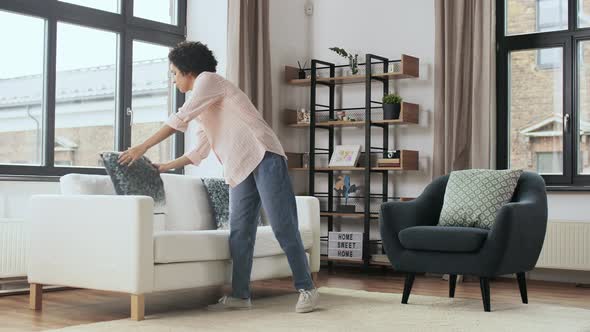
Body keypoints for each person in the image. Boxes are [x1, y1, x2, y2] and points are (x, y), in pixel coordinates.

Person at [118, 41, 318, 313]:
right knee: (239, 233)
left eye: (174, 72)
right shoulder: (204, 106)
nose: (173, 78)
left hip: (264, 154)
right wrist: (165, 165)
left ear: (189, 71)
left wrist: (142, 146)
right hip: (239, 167)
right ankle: (240, 295)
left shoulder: (208, 81)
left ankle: (306, 288)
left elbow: (179, 118)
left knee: (283, 225)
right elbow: (198, 150)